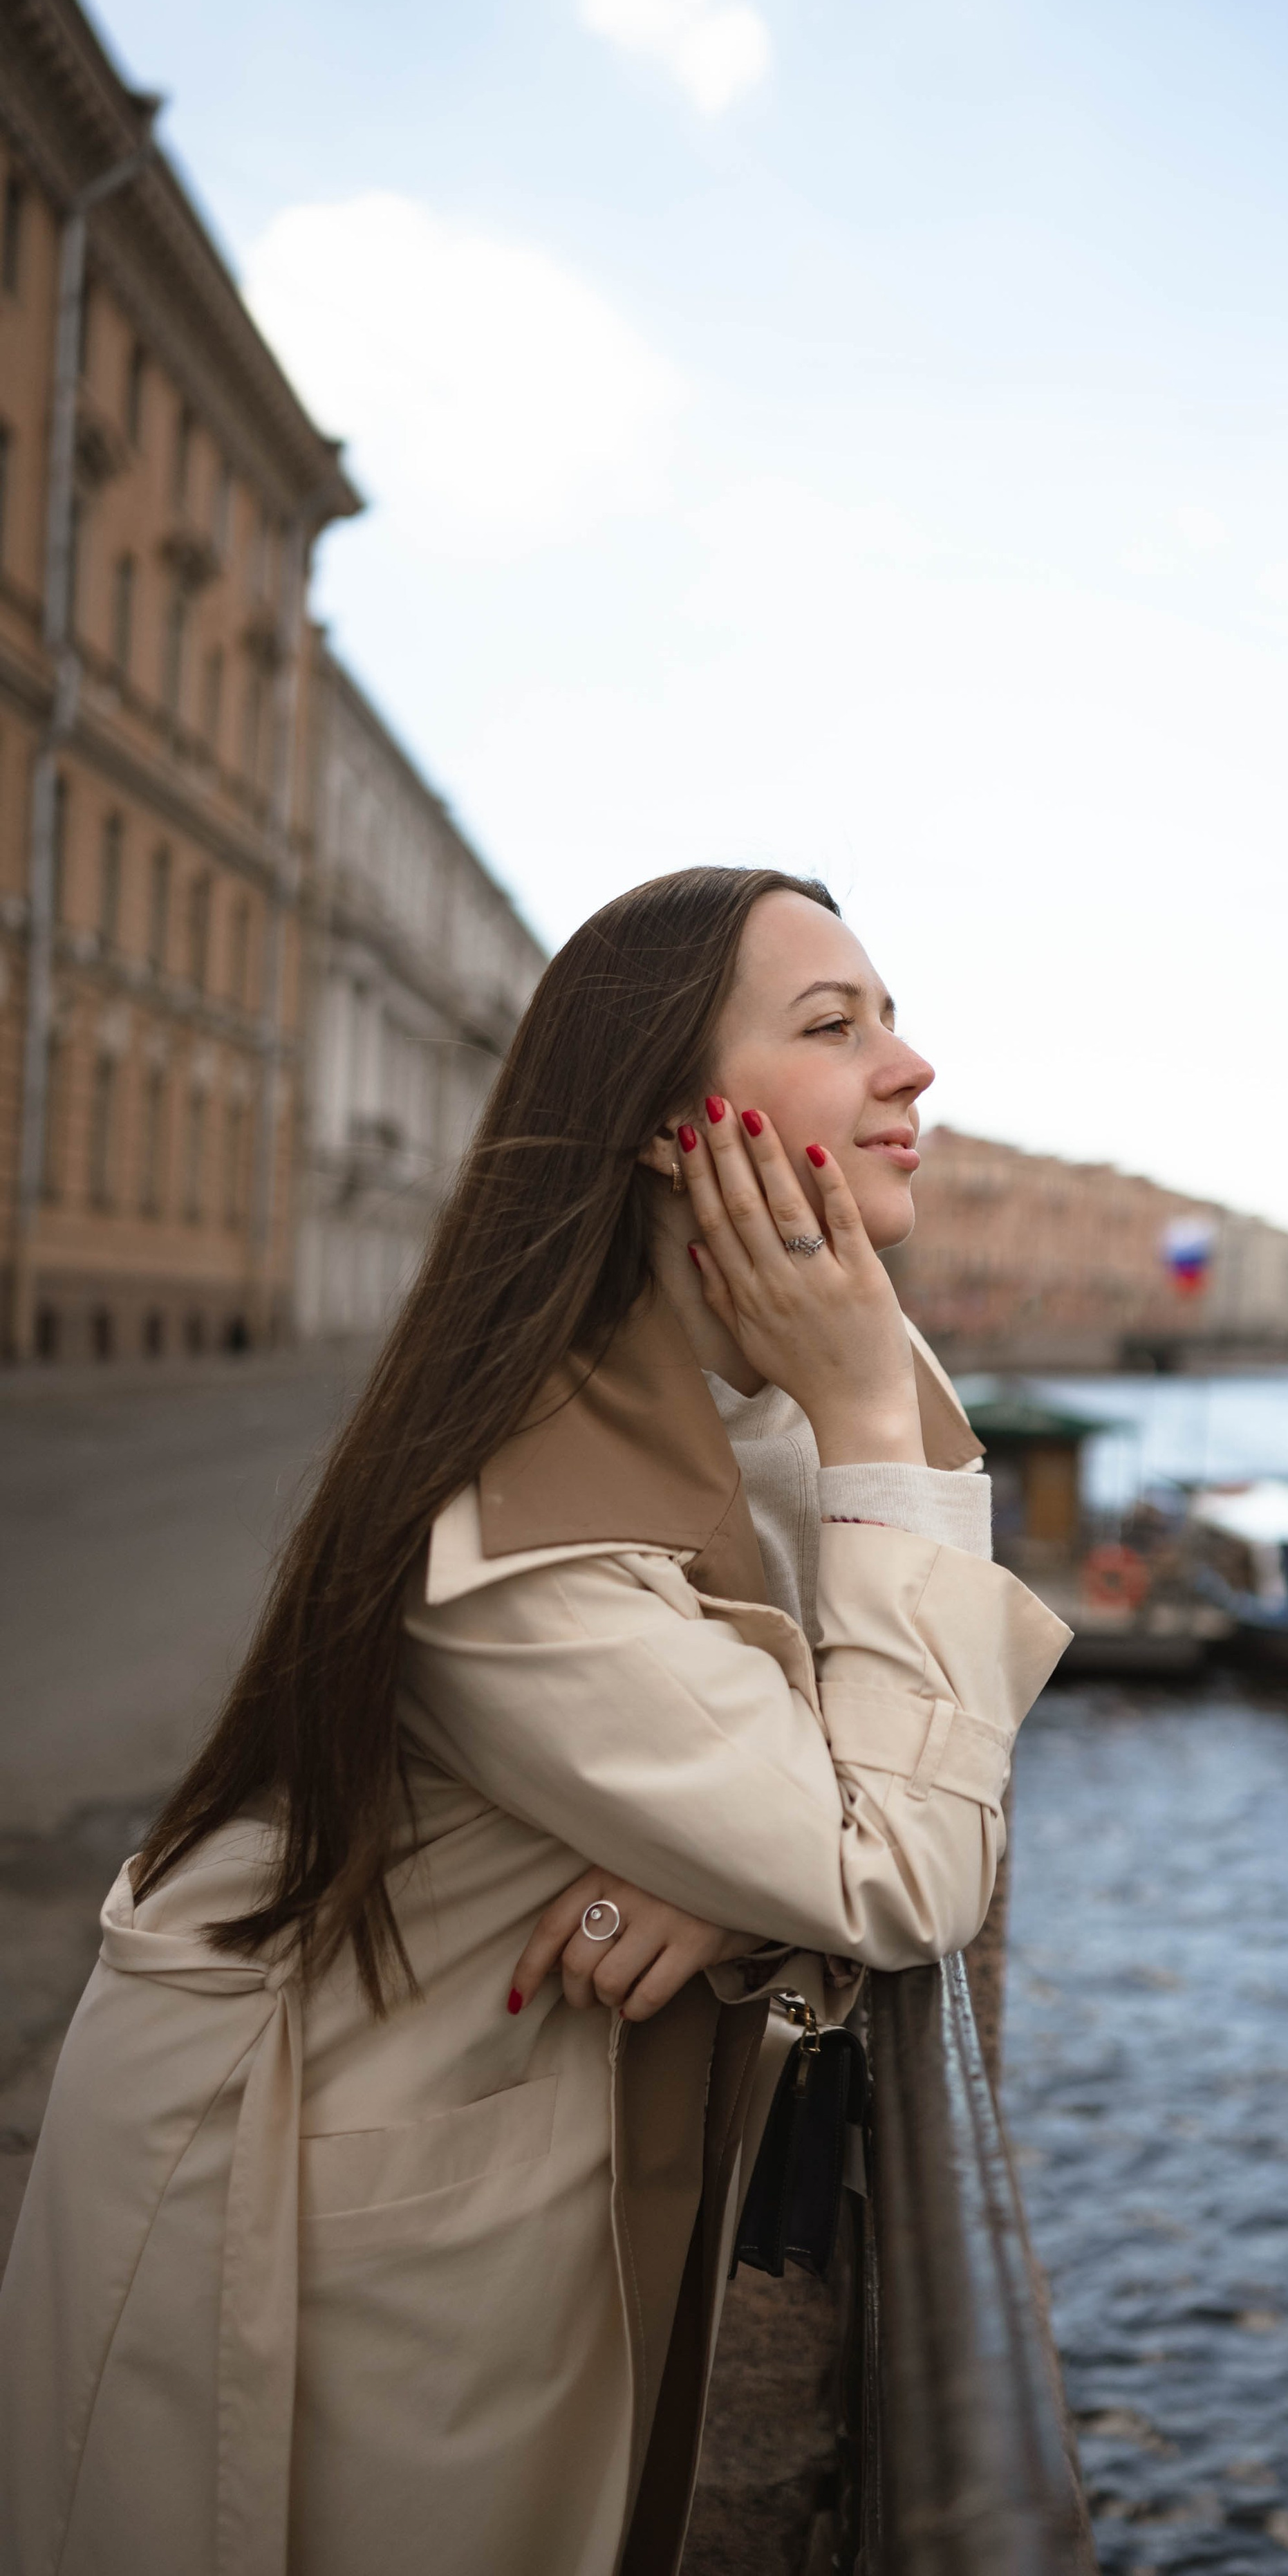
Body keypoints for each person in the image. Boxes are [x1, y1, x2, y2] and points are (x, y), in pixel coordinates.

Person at [0, 867, 1069, 2576]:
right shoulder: (516, 1534)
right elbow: (906, 1858)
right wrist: (796, 1828)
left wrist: (733, 1867)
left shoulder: (748, 1387)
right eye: (833, 1023)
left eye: (888, 1015)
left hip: (493, 2167)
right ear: (670, 1124)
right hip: (320, 2226)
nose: (911, 1065)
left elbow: (913, 1670)